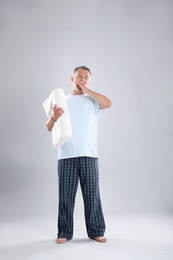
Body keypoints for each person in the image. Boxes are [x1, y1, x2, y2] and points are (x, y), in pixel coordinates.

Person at [46, 66, 112, 244]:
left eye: (85, 77)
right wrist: (53, 116)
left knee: (92, 195)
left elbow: (108, 103)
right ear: (71, 79)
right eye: (78, 77)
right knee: (65, 196)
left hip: (89, 155)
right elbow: (49, 127)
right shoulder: (62, 100)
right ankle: (65, 233)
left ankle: (96, 231)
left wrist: (87, 90)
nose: (81, 79)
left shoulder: (92, 101)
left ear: (89, 80)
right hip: (66, 156)